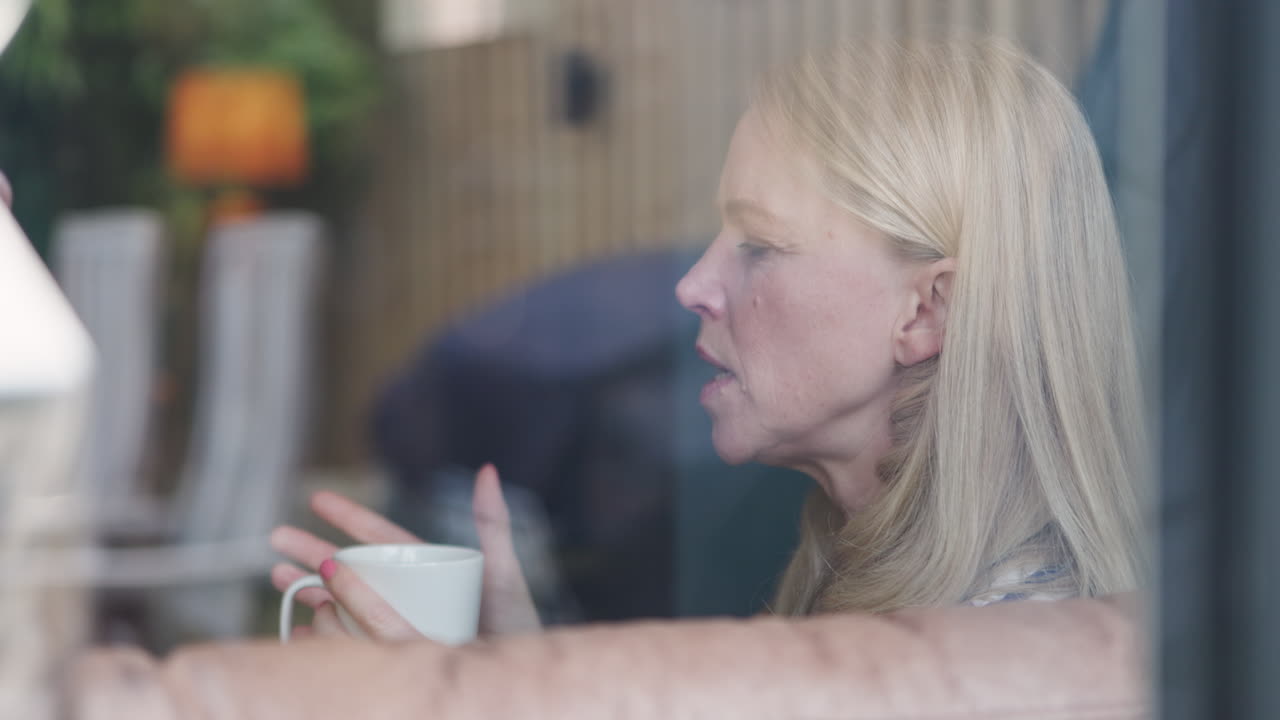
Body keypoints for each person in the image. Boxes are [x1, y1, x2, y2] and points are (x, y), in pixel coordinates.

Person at [271, 36, 1148, 638]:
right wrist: (519, 668)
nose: (693, 285)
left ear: (927, 312)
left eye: (760, 245)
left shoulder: (983, 653)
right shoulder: (898, 600)